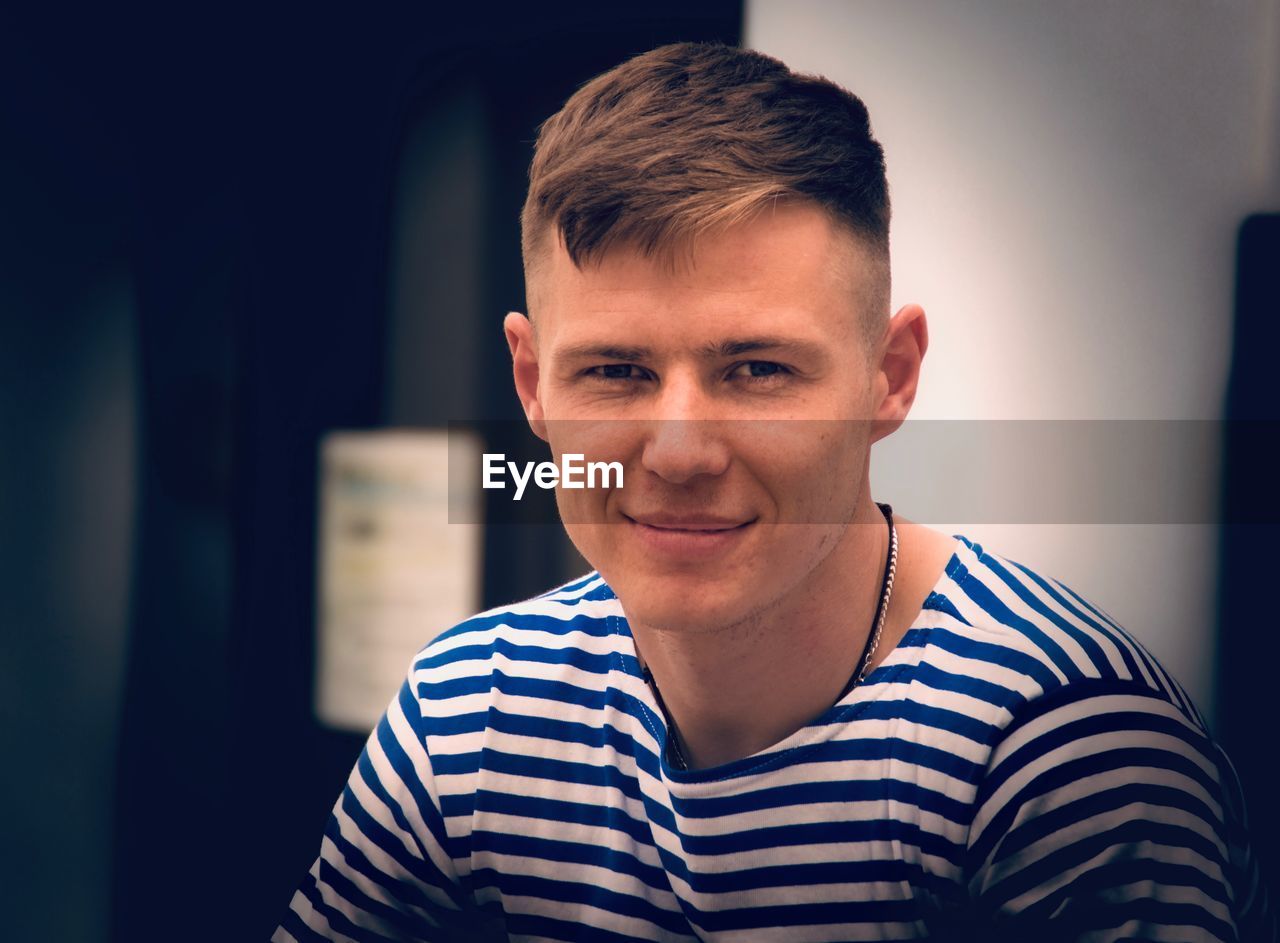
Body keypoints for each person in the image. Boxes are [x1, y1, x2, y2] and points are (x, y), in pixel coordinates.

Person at [274, 42, 1272, 942]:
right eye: (613, 371)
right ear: (532, 384)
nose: (676, 451)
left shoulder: (1058, 752)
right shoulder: (471, 706)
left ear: (889, 375)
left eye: (756, 370)